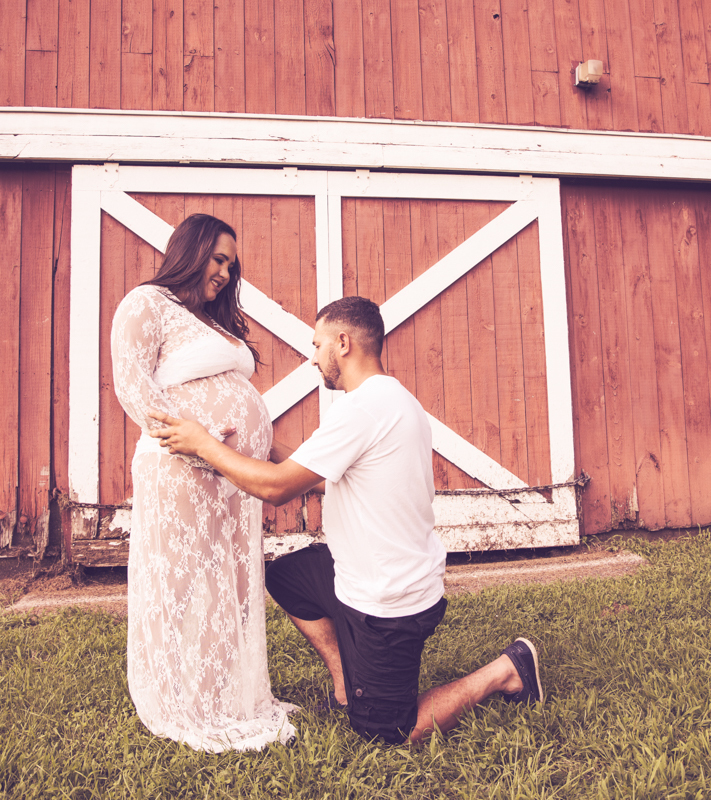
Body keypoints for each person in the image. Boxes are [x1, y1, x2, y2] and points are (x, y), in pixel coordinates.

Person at [148, 295, 544, 746]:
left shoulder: (362, 412)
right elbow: (313, 475)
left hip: (390, 602)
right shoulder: (389, 399)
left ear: (342, 342)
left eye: (317, 346)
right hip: (356, 571)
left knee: (391, 732)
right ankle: (346, 682)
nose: (313, 357)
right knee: (288, 577)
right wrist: (247, 446)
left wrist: (202, 444)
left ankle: (506, 670)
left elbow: (278, 487)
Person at [109, 213, 296, 752]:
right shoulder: (146, 304)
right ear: (189, 251)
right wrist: (199, 444)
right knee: (184, 584)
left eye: (230, 265)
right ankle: (178, 700)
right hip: (181, 467)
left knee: (228, 586)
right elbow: (132, 386)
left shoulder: (211, 321)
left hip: (228, 481)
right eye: (217, 259)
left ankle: (225, 695)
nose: (223, 272)